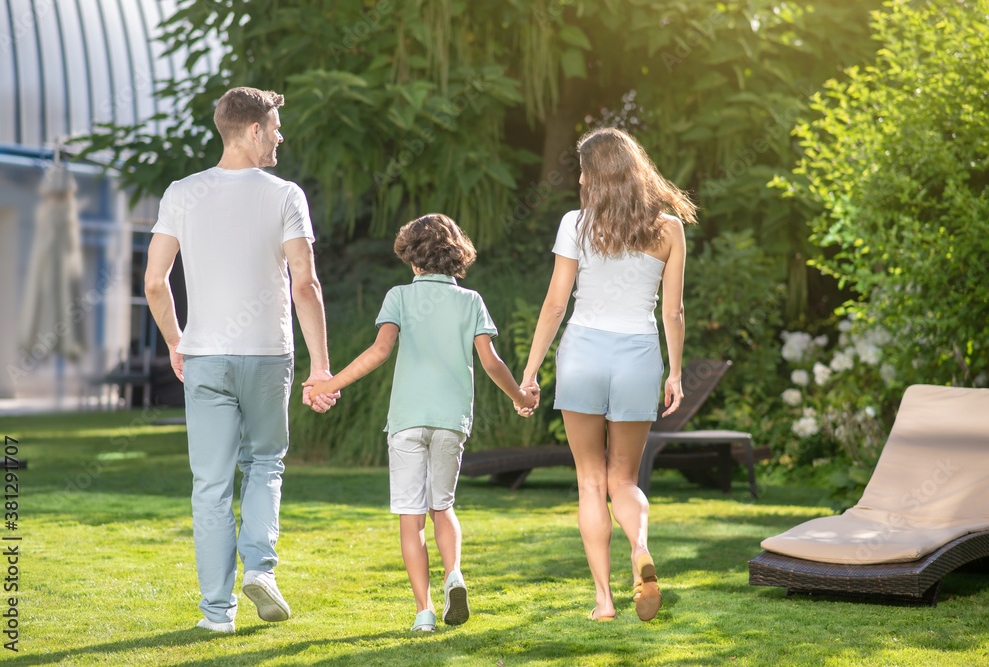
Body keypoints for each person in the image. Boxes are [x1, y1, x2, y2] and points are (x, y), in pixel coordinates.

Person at [144, 86, 340, 633]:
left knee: (209, 485)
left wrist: (175, 341)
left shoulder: (181, 192)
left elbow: (155, 282)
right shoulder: (285, 196)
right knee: (265, 466)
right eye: (275, 127)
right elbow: (306, 284)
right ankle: (261, 569)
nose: (281, 135)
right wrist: (321, 367)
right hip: (267, 355)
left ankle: (216, 614)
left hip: (204, 357)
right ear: (254, 130)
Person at [307, 213, 538, 633]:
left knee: (410, 519)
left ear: (412, 258)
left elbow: (378, 352)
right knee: (443, 507)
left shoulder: (399, 296)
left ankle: (424, 612)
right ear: (455, 256)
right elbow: (491, 362)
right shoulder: (471, 301)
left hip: (407, 422)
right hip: (451, 422)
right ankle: (455, 575)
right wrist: (520, 397)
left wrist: (330, 384)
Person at [517, 127, 696, 621]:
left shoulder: (576, 223)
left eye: (582, 169)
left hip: (583, 355)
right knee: (624, 478)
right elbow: (673, 312)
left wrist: (530, 371)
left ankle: (603, 601)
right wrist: (675, 373)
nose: (577, 177)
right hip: (639, 356)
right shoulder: (669, 229)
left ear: (594, 176)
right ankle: (640, 550)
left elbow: (555, 305)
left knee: (590, 481)